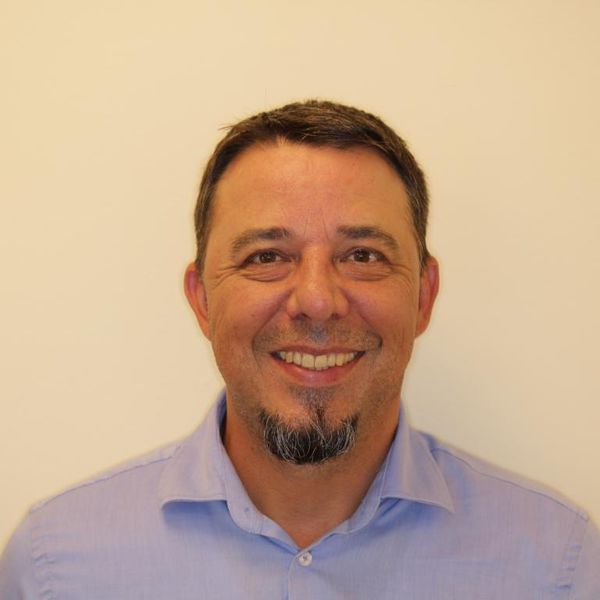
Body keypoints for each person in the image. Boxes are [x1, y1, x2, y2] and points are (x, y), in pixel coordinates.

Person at [1, 100, 598, 599]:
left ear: (424, 296)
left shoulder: (556, 568)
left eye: (362, 256)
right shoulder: (56, 569)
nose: (316, 300)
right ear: (202, 299)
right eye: (267, 256)